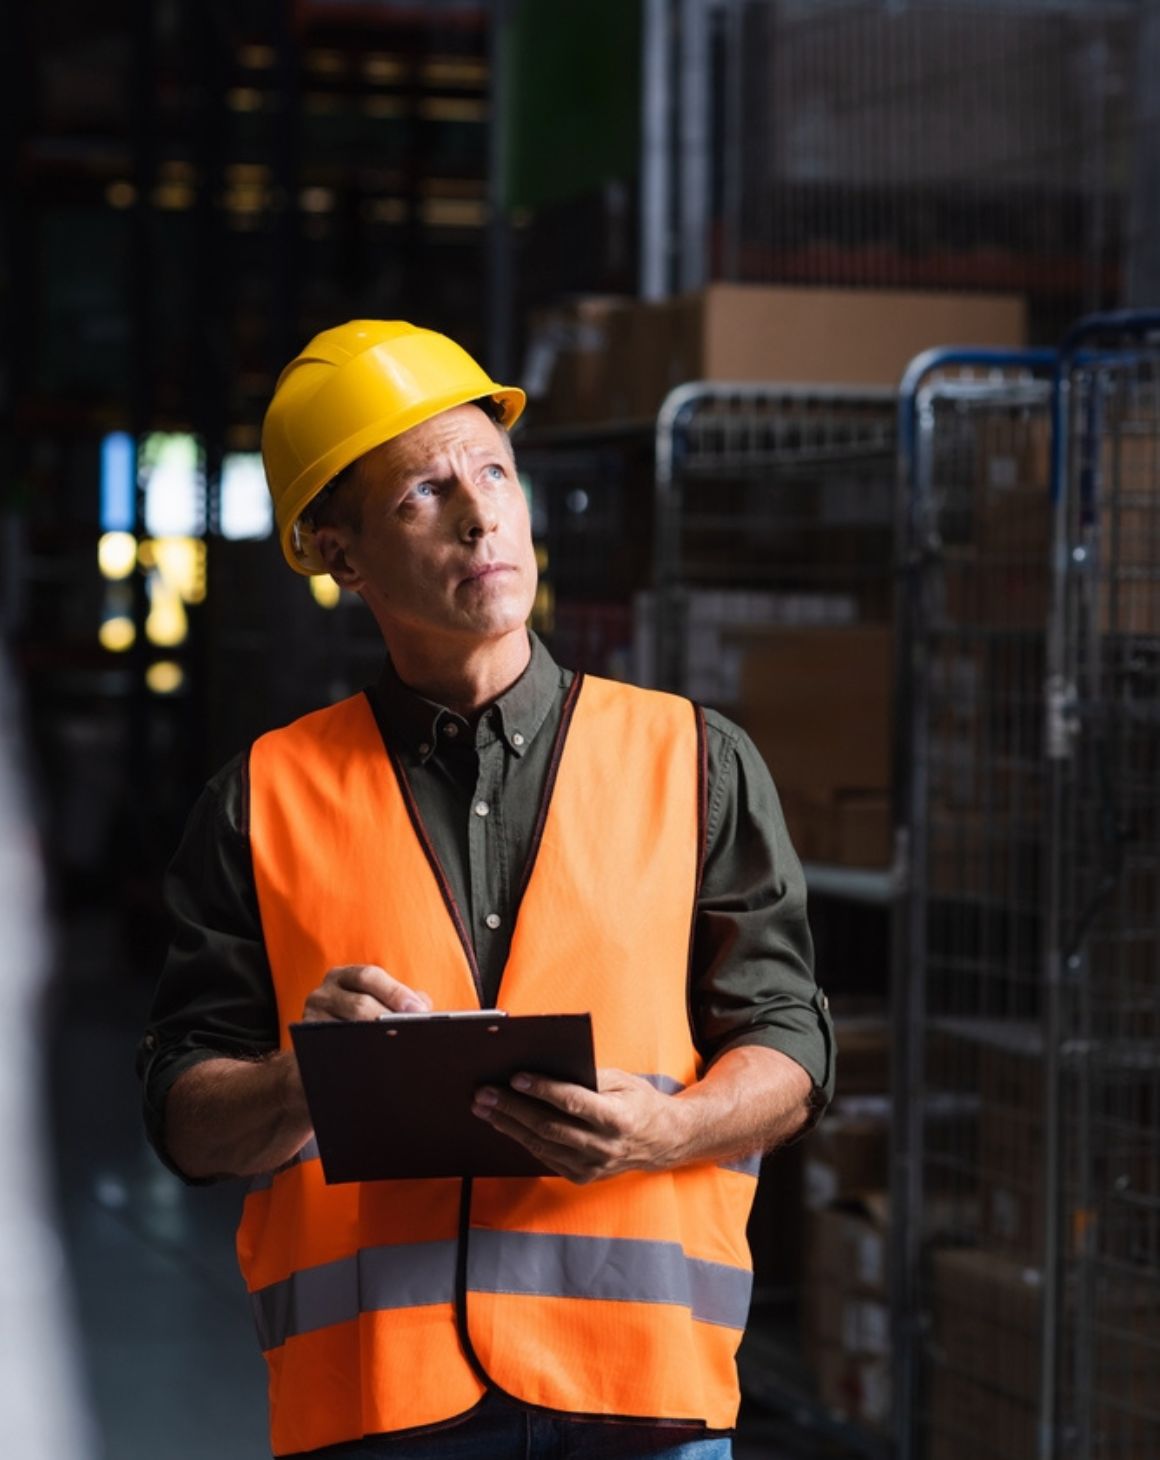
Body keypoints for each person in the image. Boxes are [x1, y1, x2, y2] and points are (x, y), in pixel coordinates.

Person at [139, 320, 835, 1460]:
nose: (478, 513)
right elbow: (183, 1112)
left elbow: (790, 1045)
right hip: (378, 1410)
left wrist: (666, 1127)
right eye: (422, 490)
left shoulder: (691, 759)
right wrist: (300, 1077)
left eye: (493, 470)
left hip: (638, 1399)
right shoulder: (259, 797)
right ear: (338, 552)